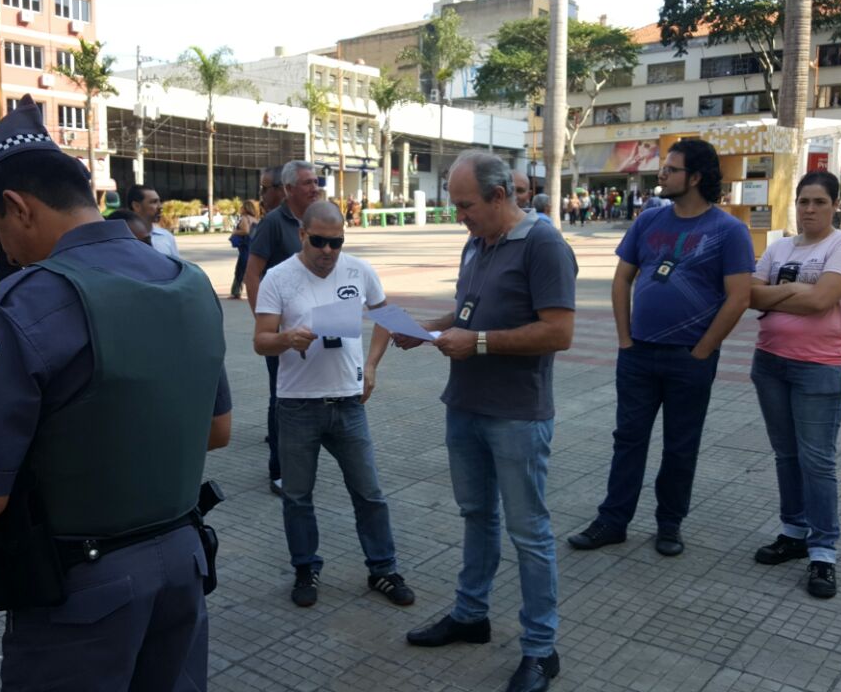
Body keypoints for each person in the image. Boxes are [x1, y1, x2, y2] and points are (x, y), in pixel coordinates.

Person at [0, 96, 232, 690]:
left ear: (18, 207)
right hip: (182, 562)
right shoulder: (186, 281)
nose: (5, 253)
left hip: (83, 593)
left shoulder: (21, 304)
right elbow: (216, 430)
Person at [401, 151, 577, 692]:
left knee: (530, 533)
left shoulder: (545, 245)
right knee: (476, 515)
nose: (459, 217)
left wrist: (475, 343)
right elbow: (469, 313)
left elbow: (559, 332)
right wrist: (427, 329)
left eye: (466, 206)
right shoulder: (477, 242)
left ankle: (541, 649)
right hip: (466, 405)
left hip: (516, 415)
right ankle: (470, 615)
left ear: (500, 196)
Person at [568, 138, 753, 558]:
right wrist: (624, 339)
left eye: (671, 169)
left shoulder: (729, 231)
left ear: (696, 177)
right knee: (627, 440)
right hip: (638, 354)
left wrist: (703, 351)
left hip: (690, 359)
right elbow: (622, 279)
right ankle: (613, 521)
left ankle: (669, 524)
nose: (662, 175)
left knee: (680, 445)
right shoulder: (649, 220)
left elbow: (739, 297)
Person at [253, 200, 415, 609]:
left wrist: (371, 366)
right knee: (297, 496)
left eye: (336, 242)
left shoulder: (358, 271)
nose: (328, 251)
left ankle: (383, 569)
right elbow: (260, 340)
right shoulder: (278, 278)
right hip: (297, 405)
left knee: (369, 492)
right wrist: (287, 338)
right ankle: (305, 568)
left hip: (347, 402)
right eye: (320, 241)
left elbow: (386, 315)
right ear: (302, 235)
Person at [748, 170, 841, 600]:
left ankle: (823, 553)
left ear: (835, 206)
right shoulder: (778, 247)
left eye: (819, 202)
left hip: (820, 368)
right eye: (803, 201)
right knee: (786, 455)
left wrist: (779, 290)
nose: (810, 209)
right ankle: (794, 533)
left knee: (817, 461)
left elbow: (821, 301)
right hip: (770, 364)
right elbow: (750, 297)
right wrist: (796, 290)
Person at [245, 160, 322, 496]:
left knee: (306, 395)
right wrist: (265, 323)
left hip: (313, 328)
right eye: (307, 183)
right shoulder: (274, 223)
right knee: (282, 397)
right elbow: (252, 275)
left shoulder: (316, 219)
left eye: (316, 181)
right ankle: (279, 470)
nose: (315, 187)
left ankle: (301, 458)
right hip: (282, 332)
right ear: (289, 189)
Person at [127, 184, 179, 257]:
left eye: (159, 201)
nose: (160, 206)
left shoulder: (166, 236)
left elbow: (176, 263)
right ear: (136, 206)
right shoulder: (123, 239)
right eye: (153, 202)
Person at [230, 199, 262, 299]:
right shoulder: (256, 219)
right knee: (250, 270)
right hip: (253, 246)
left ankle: (236, 292)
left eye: (242, 207)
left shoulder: (245, 218)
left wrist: (235, 232)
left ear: (246, 208)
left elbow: (246, 231)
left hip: (245, 247)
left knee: (240, 269)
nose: (241, 209)